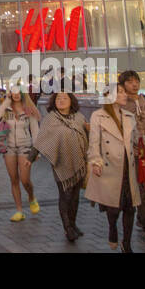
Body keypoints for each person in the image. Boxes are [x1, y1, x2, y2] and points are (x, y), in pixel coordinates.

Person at [88, 84, 141, 252]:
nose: (124, 94)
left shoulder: (129, 115)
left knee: (130, 206)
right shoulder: (98, 116)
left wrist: (139, 147)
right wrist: (95, 161)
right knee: (113, 206)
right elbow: (94, 141)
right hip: (110, 166)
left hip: (128, 165)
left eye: (124, 91)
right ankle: (112, 229)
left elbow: (135, 139)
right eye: (120, 92)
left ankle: (127, 243)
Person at [34, 91, 88, 241]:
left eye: (65, 98)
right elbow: (41, 139)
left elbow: (87, 135)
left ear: (71, 101)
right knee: (66, 195)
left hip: (79, 161)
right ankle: (67, 228)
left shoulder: (79, 117)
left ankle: (73, 223)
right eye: (58, 98)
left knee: (75, 196)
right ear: (54, 101)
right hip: (60, 163)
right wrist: (30, 158)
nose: (61, 100)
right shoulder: (50, 119)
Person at [118, 70, 145, 244]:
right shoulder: (119, 103)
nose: (134, 84)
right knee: (142, 191)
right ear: (122, 85)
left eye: (136, 81)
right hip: (133, 152)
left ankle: (142, 219)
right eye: (129, 82)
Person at [0, 87, 42, 221]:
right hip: (9, 147)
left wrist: (36, 151)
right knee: (14, 179)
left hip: (25, 147)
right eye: (13, 93)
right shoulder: (7, 110)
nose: (16, 95)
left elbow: (35, 131)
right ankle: (19, 211)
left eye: (18, 92)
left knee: (25, 180)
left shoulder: (28, 111)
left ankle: (31, 197)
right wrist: (6, 101)